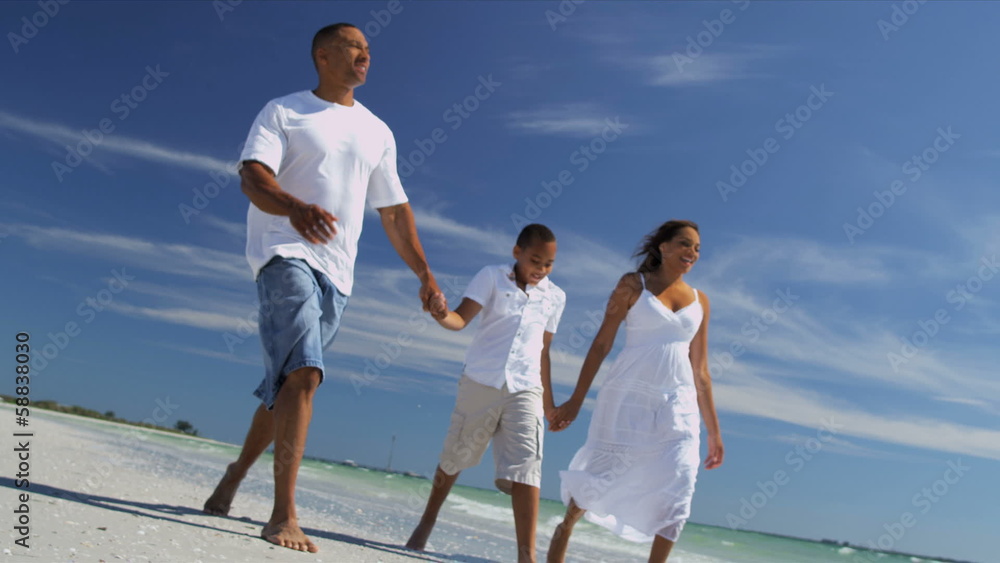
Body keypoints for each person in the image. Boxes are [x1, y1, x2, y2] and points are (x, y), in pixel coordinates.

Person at [201, 23, 447, 553]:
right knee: (305, 374)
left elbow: (394, 211)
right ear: (323, 56)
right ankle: (283, 515)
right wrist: (294, 208)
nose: (366, 54)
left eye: (368, 49)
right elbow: (252, 177)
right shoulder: (284, 110)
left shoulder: (378, 131)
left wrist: (425, 274)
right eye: (354, 46)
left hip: (339, 274)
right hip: (282, 253)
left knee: (287, 388)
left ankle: (234, 474)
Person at [546, 220, 724, 563]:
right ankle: (565, 529)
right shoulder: (633, 285)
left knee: (680, 484)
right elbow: (602, 344)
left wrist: (714, 432)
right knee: (601, 474)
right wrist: (576, 400)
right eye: (685, 244)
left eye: (697, 248)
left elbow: (701, 370)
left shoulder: (700, 300)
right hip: (629, 395)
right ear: (663, 247)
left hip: (679, 402)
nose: (692, 252)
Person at [405, 224, 566, 563]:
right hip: (481, 380)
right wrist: (440, 313)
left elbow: (544, 352)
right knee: (455, 456)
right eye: (535, 260)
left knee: (528, 464)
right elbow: (459, 320)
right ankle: (427, 521)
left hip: (526, 387)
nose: (541, 269)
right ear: (517, 252)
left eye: (549, 264)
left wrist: (549, 405)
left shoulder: (556, 296)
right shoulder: (491, 276)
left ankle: (526, 557)